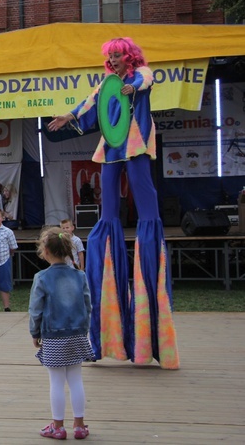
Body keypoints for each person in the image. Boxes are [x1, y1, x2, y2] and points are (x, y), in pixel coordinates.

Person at [47, 37, 179, 369]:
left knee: (147, 211)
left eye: (119, 55)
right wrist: (68, 116)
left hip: (134, 142)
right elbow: (90, 103)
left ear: (129, 56)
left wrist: (132, 89)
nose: (115, 60)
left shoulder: (140, 75)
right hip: (111, 147)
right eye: (111, 56)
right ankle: (104, 337)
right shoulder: (107, 83)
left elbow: (146, 79)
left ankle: (149, 262)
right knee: (107, 218)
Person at [29, 227, 93, 440]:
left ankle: (58, 426)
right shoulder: (79, 275)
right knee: (76, 379)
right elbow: (87, 305)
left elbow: (36, 309)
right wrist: (85, 329)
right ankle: (80, 425)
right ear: (67, 250)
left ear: (45, 251)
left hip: (53, 335)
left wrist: (34, 332)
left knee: (56, 381)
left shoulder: (42, 277)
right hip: (77, 333)